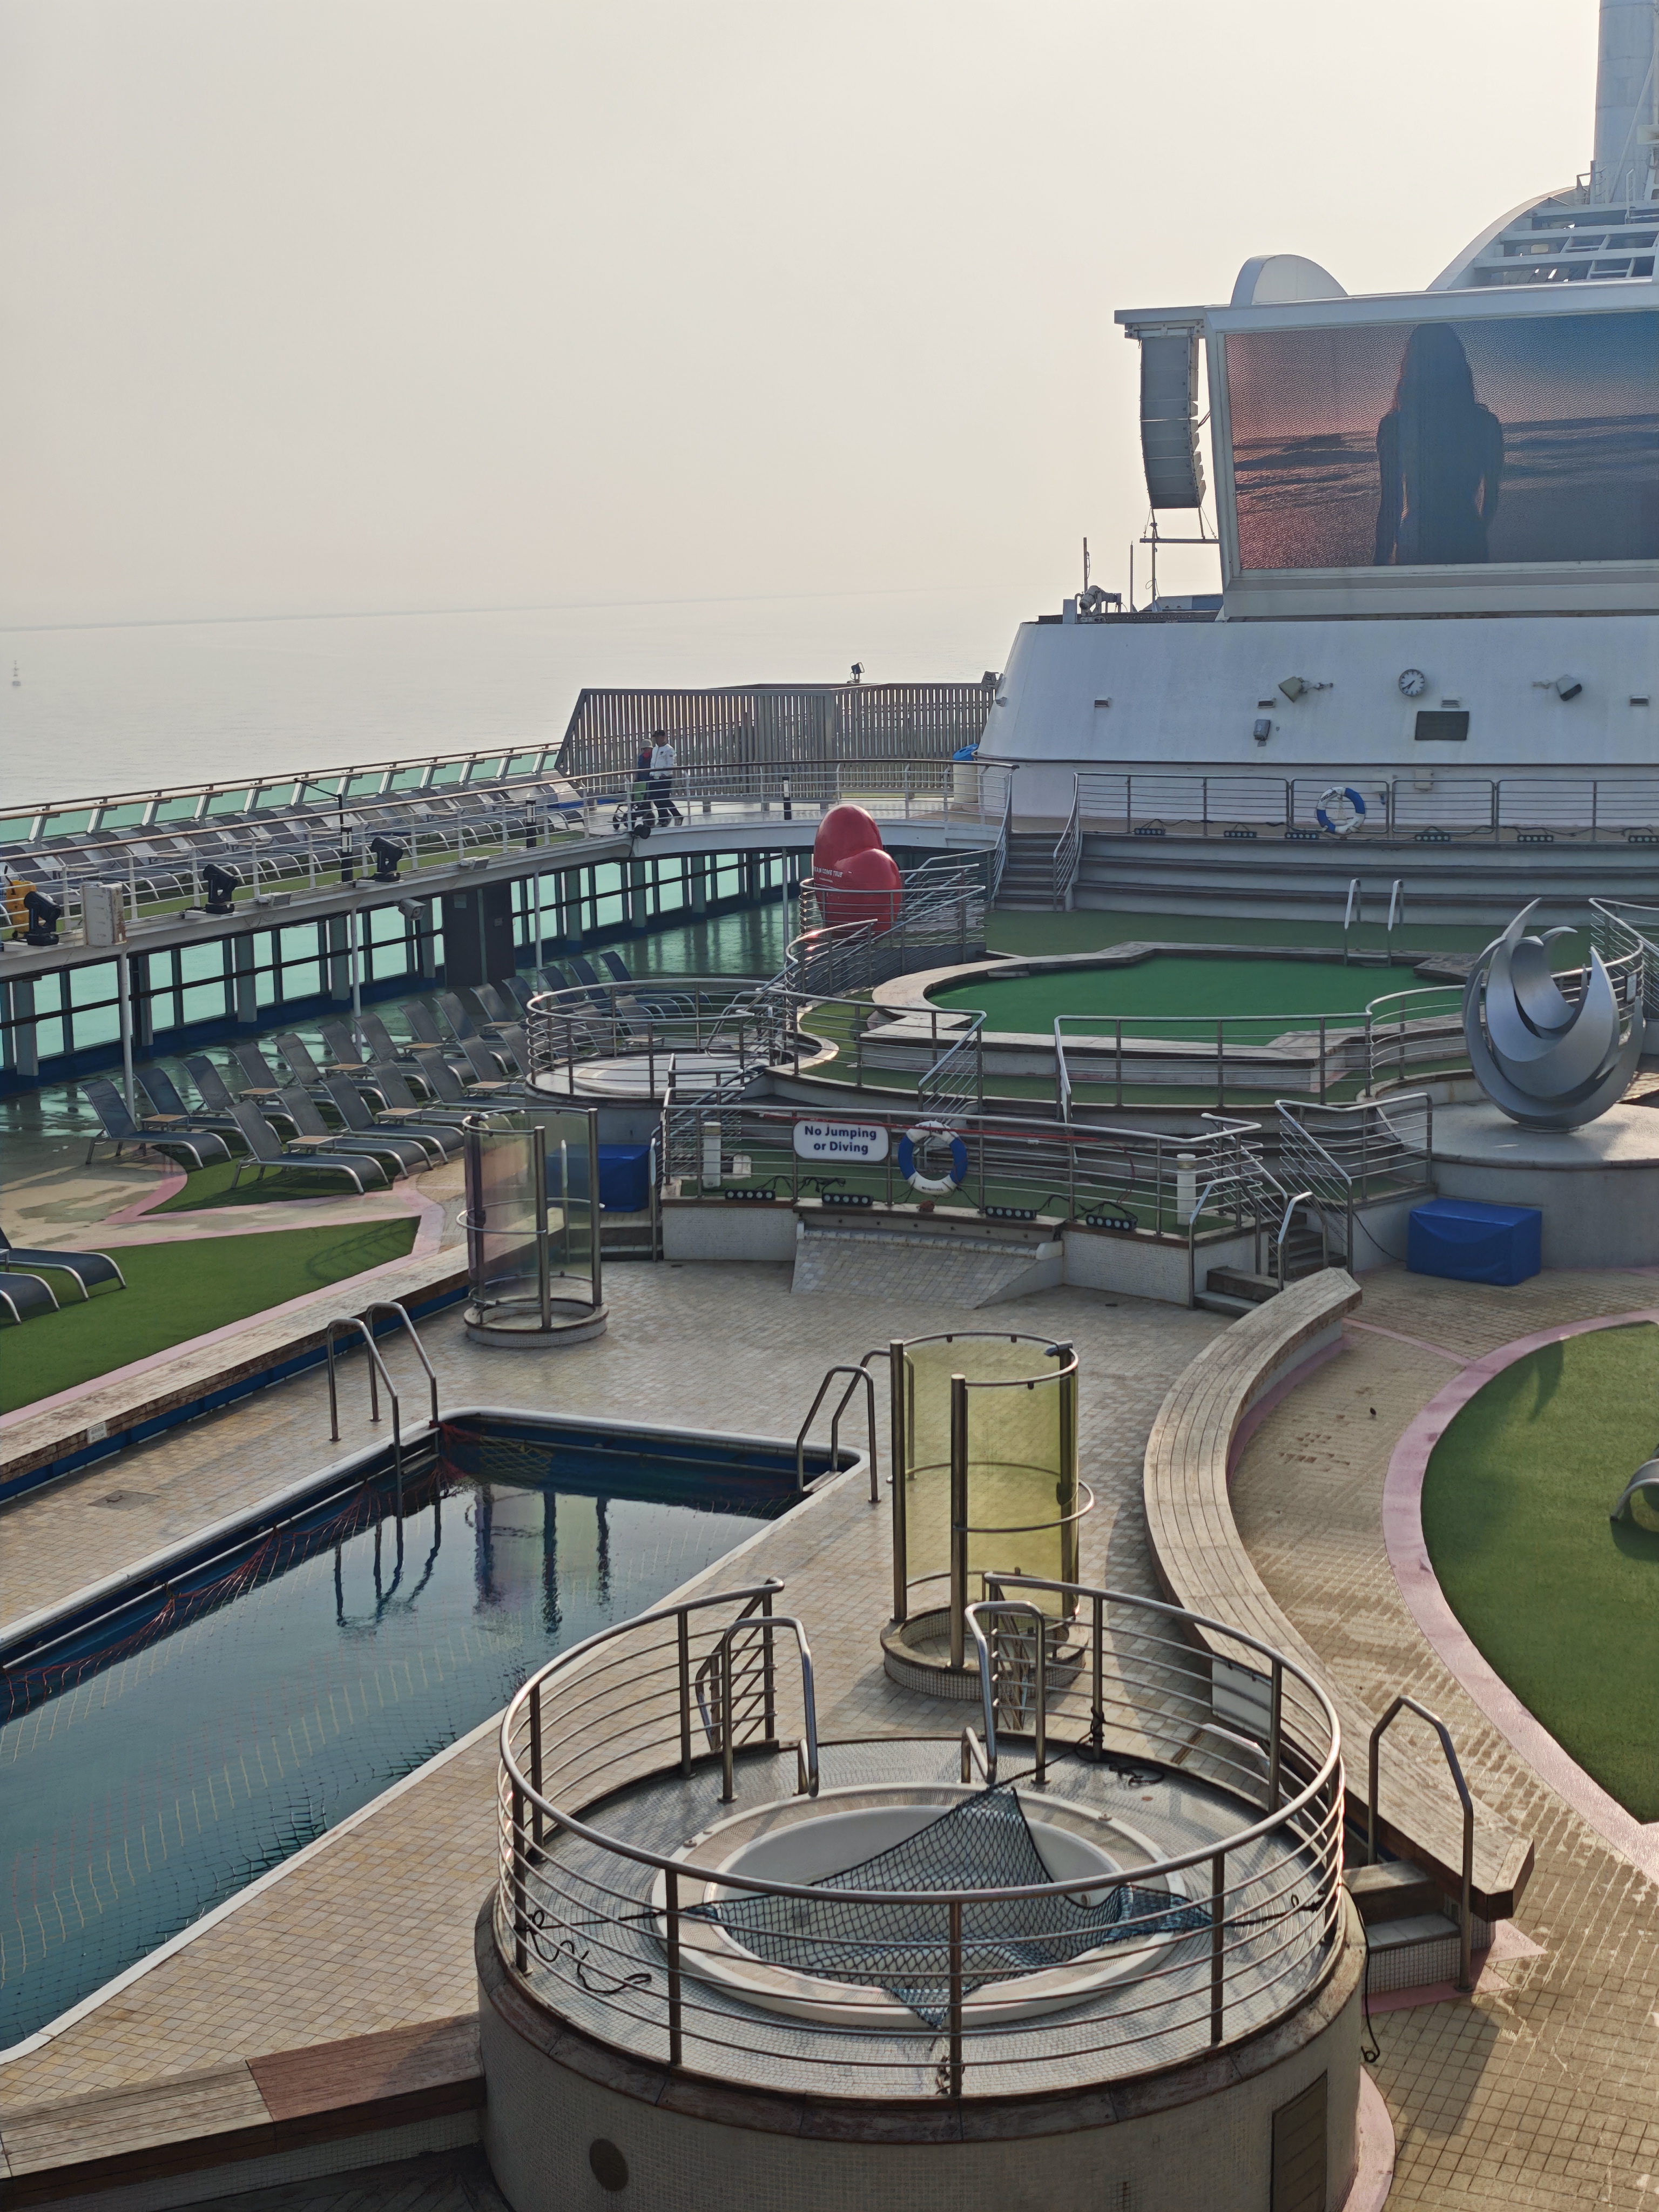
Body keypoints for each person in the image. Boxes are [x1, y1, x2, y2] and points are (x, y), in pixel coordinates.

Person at [1373, 323, 1503, 567]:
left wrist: (1378, 565)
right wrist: (1477, 532)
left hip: (1417, 543)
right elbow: (1492, 496)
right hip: (1468, 538)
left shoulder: (1394, 427)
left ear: (1411, 365)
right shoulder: (1485, 424)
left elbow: (1391, 505)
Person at [649, 730, 682, 826]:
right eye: (655, 737)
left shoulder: (669, 749)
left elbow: (671, 764)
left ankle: (674, 816)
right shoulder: (655, 749)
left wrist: (665, 774)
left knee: (664, 799)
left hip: (664, 778)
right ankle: (664, 817)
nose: (656, 739)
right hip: (654, 777)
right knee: (655, 799)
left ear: (663, 737)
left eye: (658, 737)